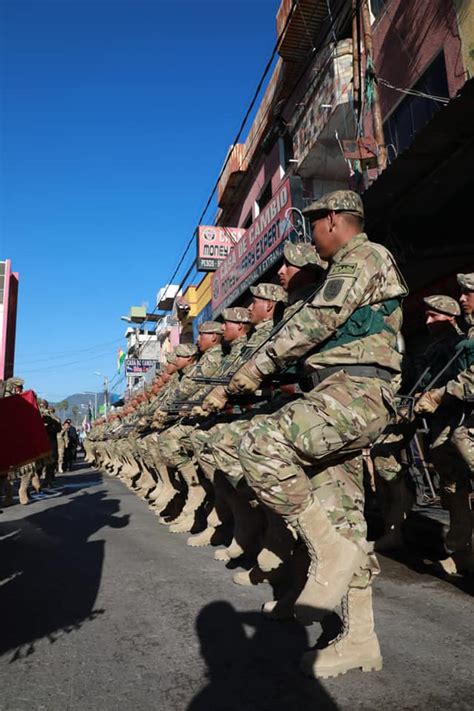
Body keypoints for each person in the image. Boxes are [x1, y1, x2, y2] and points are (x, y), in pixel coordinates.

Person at [229, 189, 408, 678]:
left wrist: (259, 364)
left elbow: (319, 317)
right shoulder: (350, 264)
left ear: (333, 219)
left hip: (358, 393)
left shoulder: (363, 256)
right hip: (340, 394)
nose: (312, 237)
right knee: (342, 520)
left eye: (314, 226)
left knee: (259, 444)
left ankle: (327, 552)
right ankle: (360, 639)